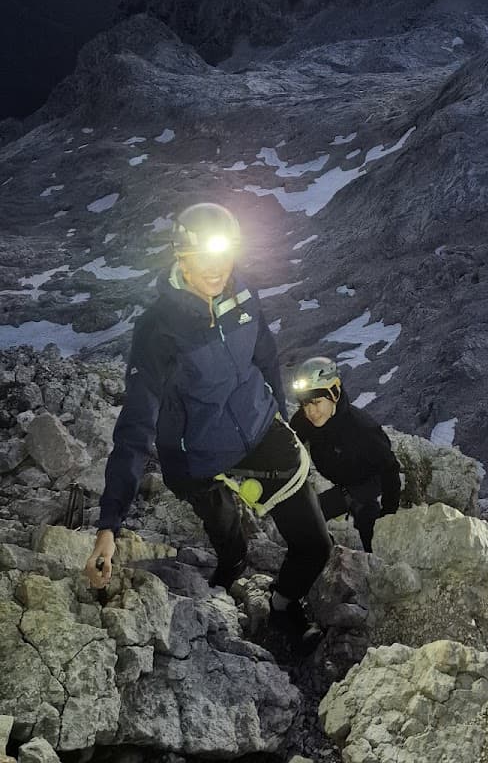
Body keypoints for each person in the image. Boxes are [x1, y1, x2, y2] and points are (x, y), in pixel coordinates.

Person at [83, 202, 331, 647]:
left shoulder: (242, 294)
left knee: (315, 545)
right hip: (193, 453)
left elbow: (265, 354)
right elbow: (136, 424)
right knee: (221, 519)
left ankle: (281, 605)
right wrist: (108, 526)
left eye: (225, 254)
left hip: (257, 431)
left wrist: (276, 410)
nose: (217, 268)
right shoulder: (158, 329)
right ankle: (232, 562)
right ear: (181, 257)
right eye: (203, 257)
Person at [287, 355, 401, 551]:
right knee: (307, 517)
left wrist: (388, 515)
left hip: (369, 479)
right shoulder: (306, 419)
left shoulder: (362, 430)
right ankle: (326, 547)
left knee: (365, 519)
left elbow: (389, 468)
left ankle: (373, 554)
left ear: (334, 394)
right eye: (305, 404)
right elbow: (289, 443)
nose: (311, 411)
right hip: (342, 473)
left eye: (316, 402)